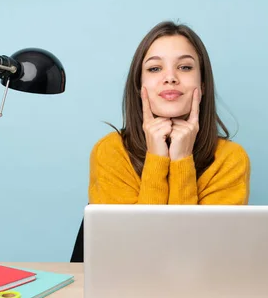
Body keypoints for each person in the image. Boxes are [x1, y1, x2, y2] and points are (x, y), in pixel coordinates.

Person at [88, 21, 250, 205]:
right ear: (139, 86)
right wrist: (157, 159)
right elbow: (134, 234)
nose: (170, 78)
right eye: (155, 68)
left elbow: (196, 234)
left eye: (185, 67)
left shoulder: (230, 159)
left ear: (203, 84)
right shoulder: (111, 152)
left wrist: (182, 160)